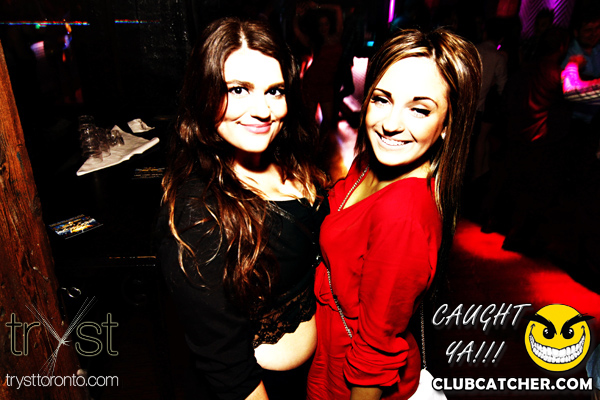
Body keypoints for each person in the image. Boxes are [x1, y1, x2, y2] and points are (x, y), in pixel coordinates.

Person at [157, 17, 328, 400]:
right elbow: (226, 366)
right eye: (238, 90)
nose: (262, 110)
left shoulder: (290, 158)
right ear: (204, 93)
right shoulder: (198, 213)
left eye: (274, 91)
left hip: (318, 377)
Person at [307, 28, 481, 400]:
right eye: (382, 99)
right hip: (329, 359)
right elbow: (341, 205)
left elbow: (375, 351)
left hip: (350, 383)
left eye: (419, 109)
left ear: (447, 124)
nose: (390, 124)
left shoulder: (403, 215)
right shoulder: (371, 163)